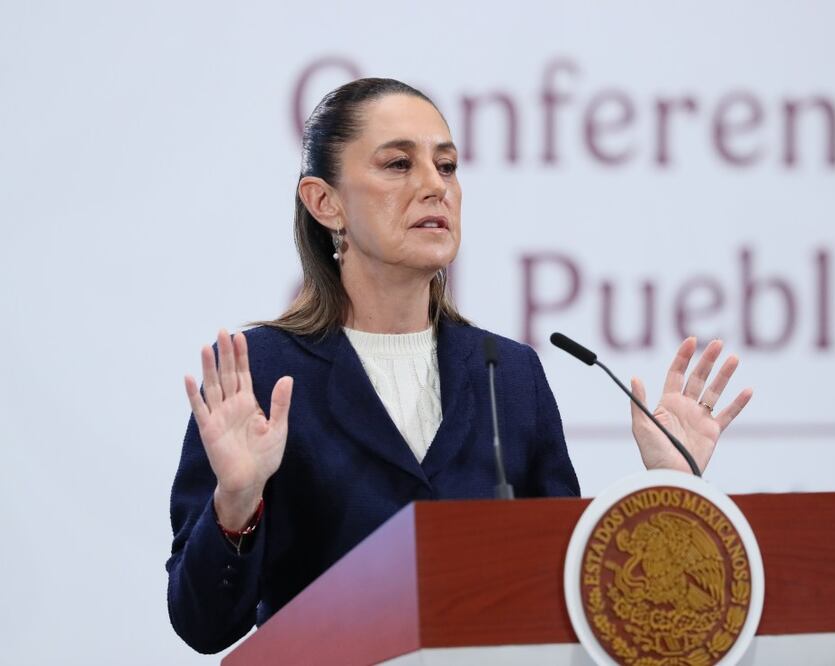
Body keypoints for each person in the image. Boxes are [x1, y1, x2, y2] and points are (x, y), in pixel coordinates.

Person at [166, 78, 753, 654]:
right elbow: (204, 626)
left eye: (446, 166)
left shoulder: (509, 374)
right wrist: (236, 502)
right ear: (325, 202)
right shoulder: (261, 373)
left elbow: (570, 591)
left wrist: (669, 488)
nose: (434, 186)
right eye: (399, 165)